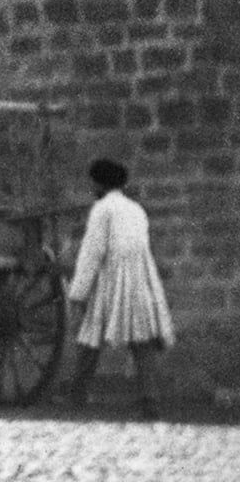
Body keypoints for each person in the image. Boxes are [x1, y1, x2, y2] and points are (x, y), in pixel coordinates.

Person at [63, 157, 175, 420]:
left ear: (100, 184)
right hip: (139, 277)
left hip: (111, 278)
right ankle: (150, 400)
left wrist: (78, 292)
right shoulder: (136, 208)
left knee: (90, 336)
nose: (92, 187)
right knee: (142, 339)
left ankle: (77, 394)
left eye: (93, 183)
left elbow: (93, 251)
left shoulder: (102, 209)